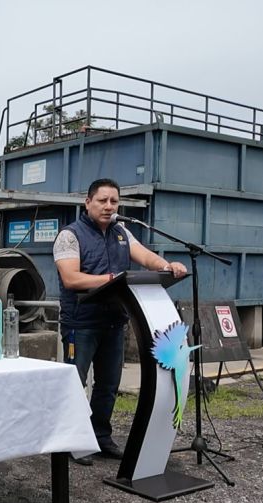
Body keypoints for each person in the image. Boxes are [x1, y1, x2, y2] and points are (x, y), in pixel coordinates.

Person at [53, 177, 188, 466]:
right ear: (87, 202)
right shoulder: (69, 235)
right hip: (82, 323)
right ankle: (71, 441)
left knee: (108, 385)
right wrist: (110, 279)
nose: (109, 206)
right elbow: (71, 278)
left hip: (115, 322)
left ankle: (100, 437)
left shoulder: (122, 233)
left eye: (114, 201)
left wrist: (167, 266)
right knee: (75, 383)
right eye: (102, 200)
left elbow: (146, 257)